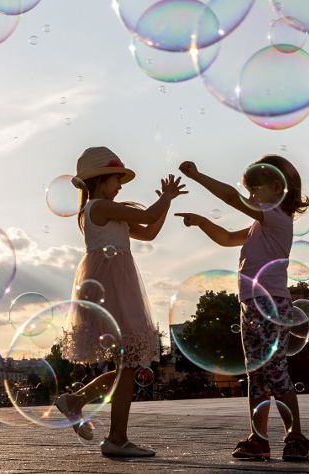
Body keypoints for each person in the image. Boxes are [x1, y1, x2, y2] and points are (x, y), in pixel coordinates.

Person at [51, 146, 185, 458]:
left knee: (128, 364)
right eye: (117, 179)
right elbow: (149, 215)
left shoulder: (108, 208)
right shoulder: (99, 207)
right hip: (111, 285)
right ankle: (116, 437)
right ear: (99, 180)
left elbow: (150, 231)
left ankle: (78, 402)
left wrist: (164, 204)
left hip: (114, 282)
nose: (121, 185)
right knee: (129, 363)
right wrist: (166, 196)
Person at [176, 154, 309, 461]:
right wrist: (202, 222)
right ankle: (259, 439)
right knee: (258, 376)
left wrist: (198, 175)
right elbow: (225, 238)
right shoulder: (259, 225)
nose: (250, 197)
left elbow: (230, 197)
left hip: (270, 304)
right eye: (250, 192)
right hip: (251, 305)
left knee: (276, 374)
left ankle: (296, 437)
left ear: (277, 188)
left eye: (255, 190)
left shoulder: (276, 217)